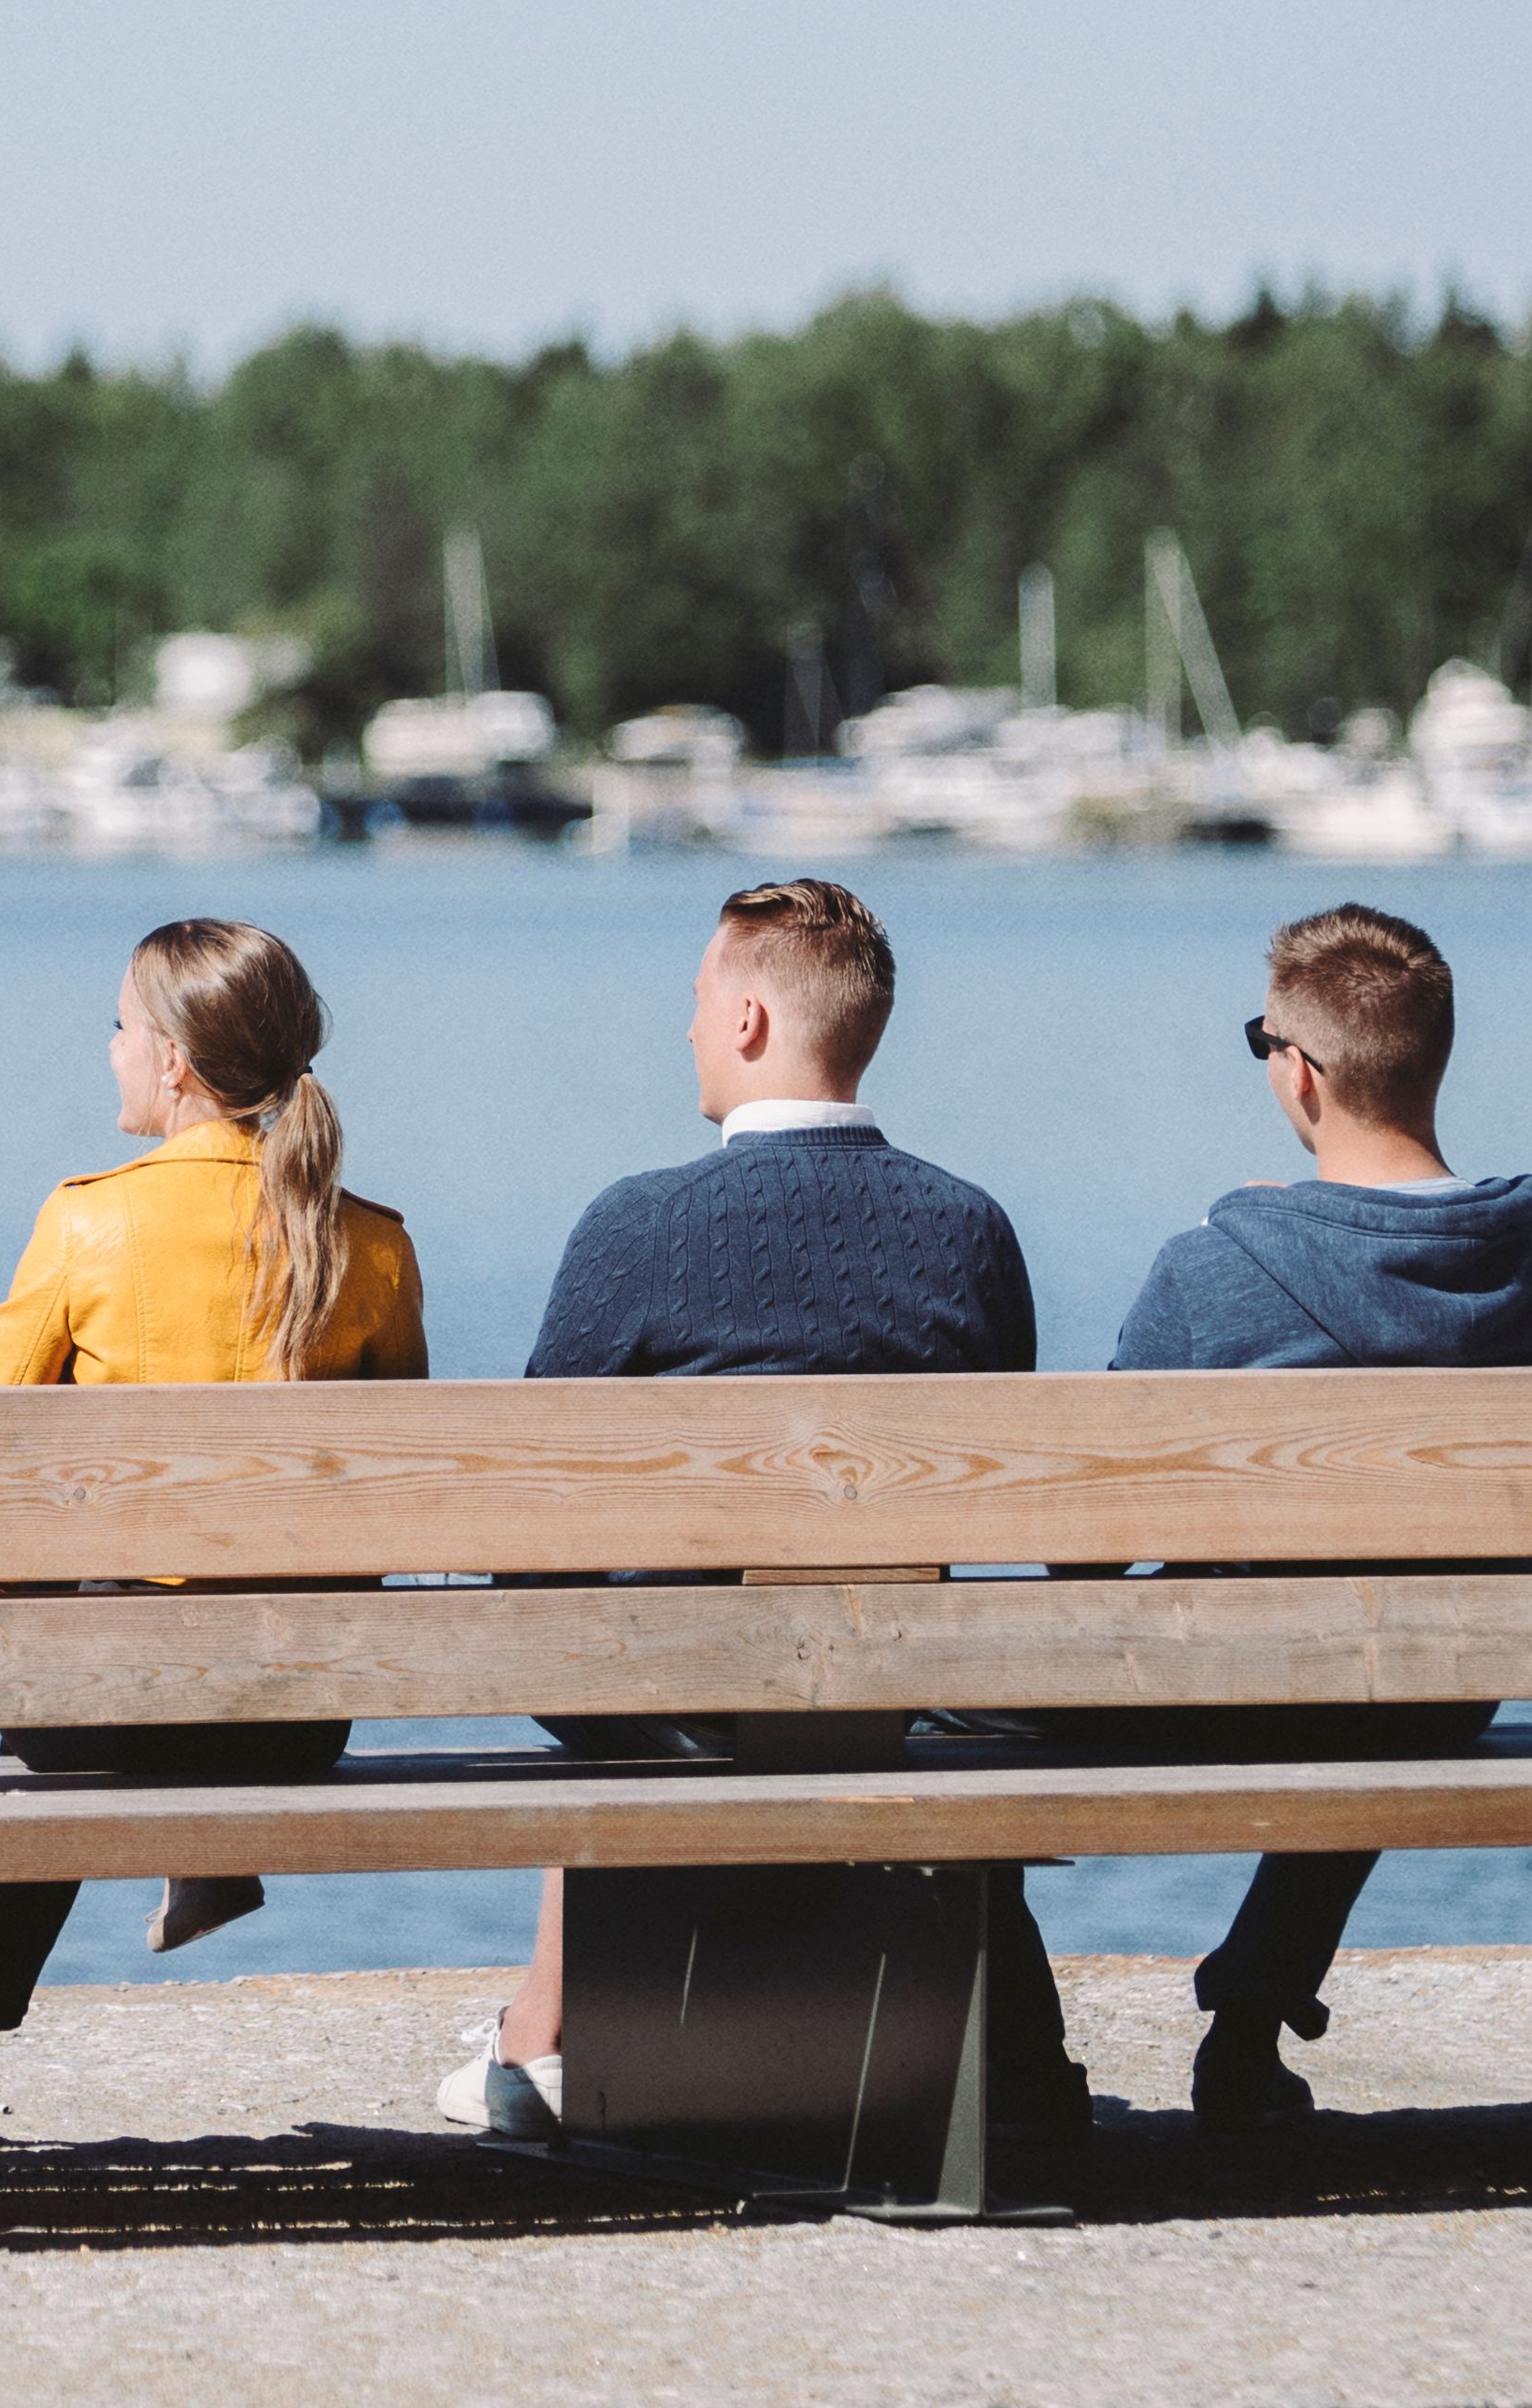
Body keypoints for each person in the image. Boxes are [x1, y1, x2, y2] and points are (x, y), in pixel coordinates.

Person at [435, 877, 1057, 2148]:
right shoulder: (968, 1231)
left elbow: (534, 1495)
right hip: (900, 1684)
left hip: (680, 1693)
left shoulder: (638, 1225)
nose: (686, 1030)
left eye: (700, 1002)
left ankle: (535, 2040)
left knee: (594, 1625)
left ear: (755, 1022)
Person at [985, 900, 1532, 2136]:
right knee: (1383, 1654)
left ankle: (1017, 2058)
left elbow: (1082, 1539)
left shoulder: (1220, 1268)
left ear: (1302, 1075)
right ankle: (1251, 2018)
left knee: (912, 1699)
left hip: (1235, 1680)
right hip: (1448, 1684)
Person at [0, 916, 427, 2149]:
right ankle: (203, 1843)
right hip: (295, 1714)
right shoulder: (369, 1243)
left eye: (115, 1027)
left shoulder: (84, 1221)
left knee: (69, 1658)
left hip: (104, 1708)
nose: (104, 1050)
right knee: (152, 1640)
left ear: (172, 1065)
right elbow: (395, 1490)